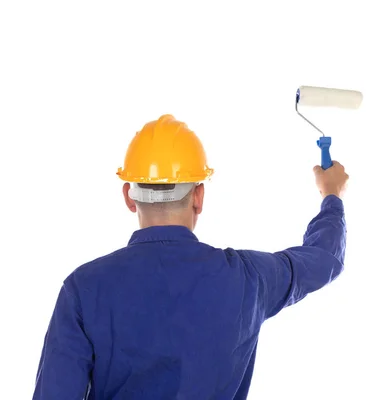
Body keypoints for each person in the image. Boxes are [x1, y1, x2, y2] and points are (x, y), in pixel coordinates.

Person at [32, 114, 349, 400]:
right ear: (198, 196)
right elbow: (322, 259)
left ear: (129, 197)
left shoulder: (83, 288)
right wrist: (331, 195)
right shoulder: (249, 278)